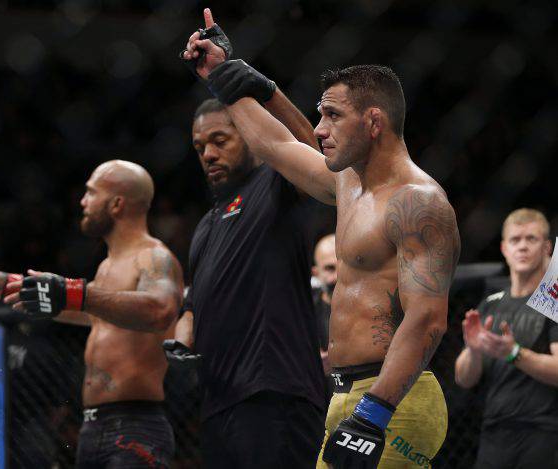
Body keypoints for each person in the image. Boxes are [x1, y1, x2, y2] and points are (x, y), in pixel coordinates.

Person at [182, 9, 461, 468]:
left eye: (332, 115)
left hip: (394, 401)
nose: (319, 130)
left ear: (373, 122)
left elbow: (427, 319)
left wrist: (374, 414)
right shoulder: (349, 184)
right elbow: (275, 145)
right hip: (344, 396)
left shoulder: (417, 202)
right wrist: (222, 77)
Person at [0, 160, 183, 469]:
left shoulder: (153, 256)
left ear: (116, 204)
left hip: (134, 425)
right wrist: (10, 285)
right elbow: (91, 310)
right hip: (93, 426)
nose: (83, 201)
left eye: (91, 192)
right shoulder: (108, 266)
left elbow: (161, 309)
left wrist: (74, 293)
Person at [168, 79, 328, 466]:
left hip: (274, 392)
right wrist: (182, 338)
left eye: (220, 140)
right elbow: (193, 305)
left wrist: (265, 91)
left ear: (249, 136)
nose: (209, 154)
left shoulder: (274, 185)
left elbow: (313, 155)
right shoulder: (206, 225)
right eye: (200, 147)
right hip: (219, 401)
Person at [455, 208, 558, 469]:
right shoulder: (491, 304)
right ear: (504, 248)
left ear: (547, 247)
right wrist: (474, 351)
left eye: (531, 239)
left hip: (544, 432)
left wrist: (514, 353)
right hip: (494, 432)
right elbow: (464, 379)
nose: (522, 246)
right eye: (515, 239)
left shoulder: (553, 300)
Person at [312, 233, 337, 376]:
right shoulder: (303, 313)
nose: (338, 276)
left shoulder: (372, 307)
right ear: (316, 273)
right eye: (330, 268)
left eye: (343, 266)